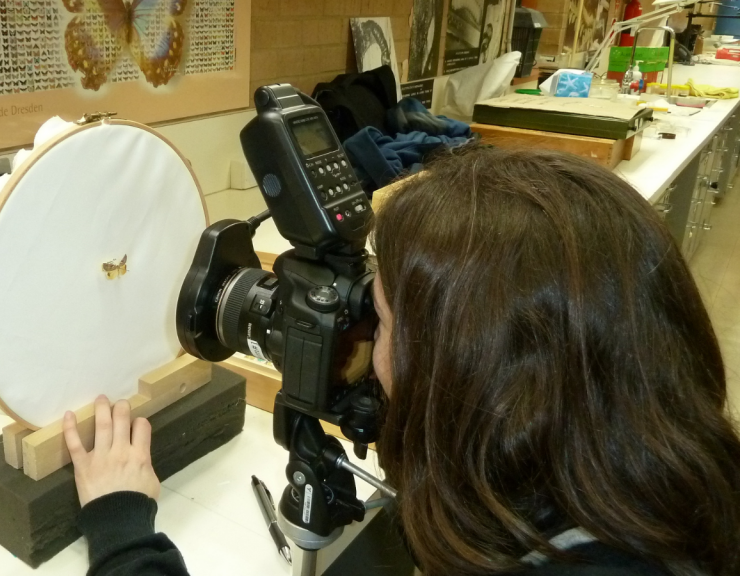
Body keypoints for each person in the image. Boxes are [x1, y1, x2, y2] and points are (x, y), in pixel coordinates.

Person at [63, 147, 740, 576]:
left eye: (381, 322)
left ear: (477, 381)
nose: (362, 343)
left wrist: (123, 530)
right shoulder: (671, 492)